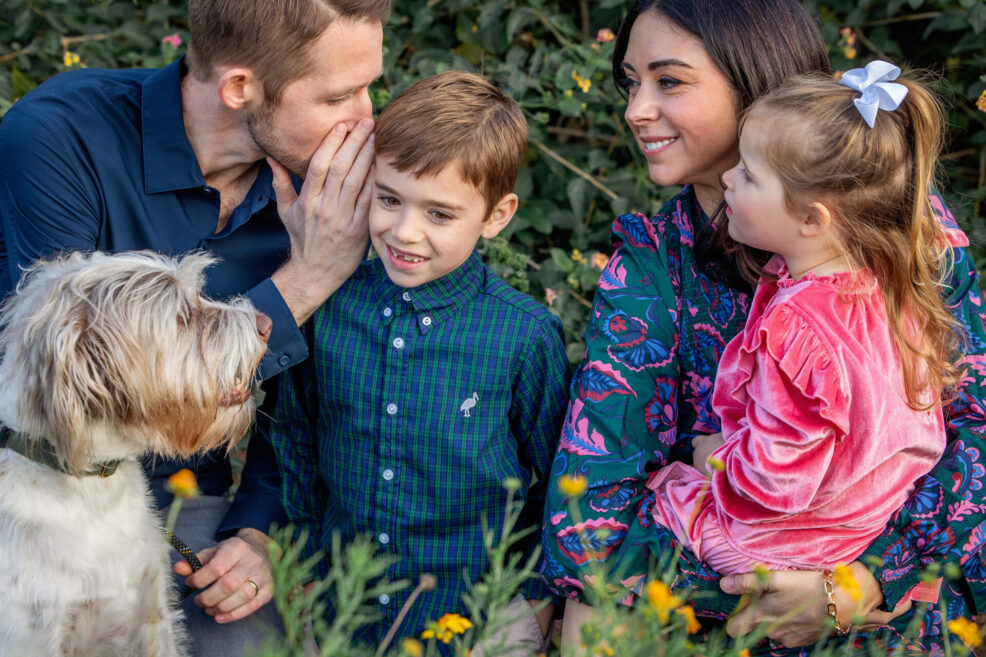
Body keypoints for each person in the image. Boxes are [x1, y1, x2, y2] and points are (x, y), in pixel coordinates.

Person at [540, 0, 986, 652]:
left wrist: (861, 582)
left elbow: (974, 425)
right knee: (598, 604)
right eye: (630, 81)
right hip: (720, 586)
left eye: (668, 81)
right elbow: (596, 482)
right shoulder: (654, 261)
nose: (635, 109)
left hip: (888, 584)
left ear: (753, 82)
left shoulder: (902, 231)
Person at [0, 1, 390, 655]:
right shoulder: (59, 138)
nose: (367, 119)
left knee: (253, 643)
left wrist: (256, 531)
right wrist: (305, 281)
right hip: (39, 498)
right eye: (339, 96)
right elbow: (68, 379)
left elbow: (308, 398)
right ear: (241, 88)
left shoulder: (318, 194)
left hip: (191, 507)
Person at [266, 70, 570, 655]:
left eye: (440, 214)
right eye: (389, 199)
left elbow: (558, 478)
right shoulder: (331, 307)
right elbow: (297, 439)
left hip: (470, 617)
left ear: (496, 215)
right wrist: (299, 560)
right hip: (337, 608)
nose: (405, 231)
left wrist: (532, 596)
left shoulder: (522, 336)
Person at [649, 63, 958, 586]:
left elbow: (775, 477)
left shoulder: (798, 328)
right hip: (865, 531)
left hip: (781, 542)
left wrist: (713, 460)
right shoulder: (892, 284)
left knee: (651, 502)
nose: (728, 176)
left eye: (748, 173)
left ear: (812, 219)